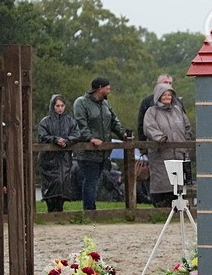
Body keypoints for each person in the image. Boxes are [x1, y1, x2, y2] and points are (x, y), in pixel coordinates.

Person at [73, 77, 130, 211]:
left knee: (96, 181)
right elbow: (81, 123)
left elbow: (114, 122)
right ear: (100, 88)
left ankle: (91, 209)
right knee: (90, 180)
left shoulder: (105, 104)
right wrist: (90, 138)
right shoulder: (81, 103)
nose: (109, 90)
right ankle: (89, 210)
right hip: (87, 152)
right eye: (107, 88)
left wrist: (124, 135)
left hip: (103, 151)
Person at [143, 82, 193, 207]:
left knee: (179, 183)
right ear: (158, 96)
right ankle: (160, 208)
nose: (167, 97)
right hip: (161, 154)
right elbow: (149, 127)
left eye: (169, 94)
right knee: (162, 182)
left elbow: (187, 127)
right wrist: (160, 137)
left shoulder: (178, 110)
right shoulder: (151, 112)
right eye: (164, 94)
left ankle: (178, 208)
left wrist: (186, 143)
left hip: (180, 153)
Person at [36, 94, 84, 212]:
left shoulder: (70, 121)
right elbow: (42, 136)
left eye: (62, 105)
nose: (60, 108)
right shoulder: (45, 122)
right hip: (48, 159)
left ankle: (60, 210)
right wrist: (55, 140)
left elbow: (77, 134)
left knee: (63, 183)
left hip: (64, 159)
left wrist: (67, 141)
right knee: (50, 184)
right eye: (57, 105)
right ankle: (50, 209)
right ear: (53, 106)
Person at [136, 73, 176, 141]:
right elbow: (141, 125)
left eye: (170, 83)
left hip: (178, 147)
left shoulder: (178, 103)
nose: (168, 85)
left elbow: (185, 126)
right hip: (156, 145)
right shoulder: (147, 102)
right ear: (158, 84)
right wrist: (143, 145)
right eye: (165, 82)